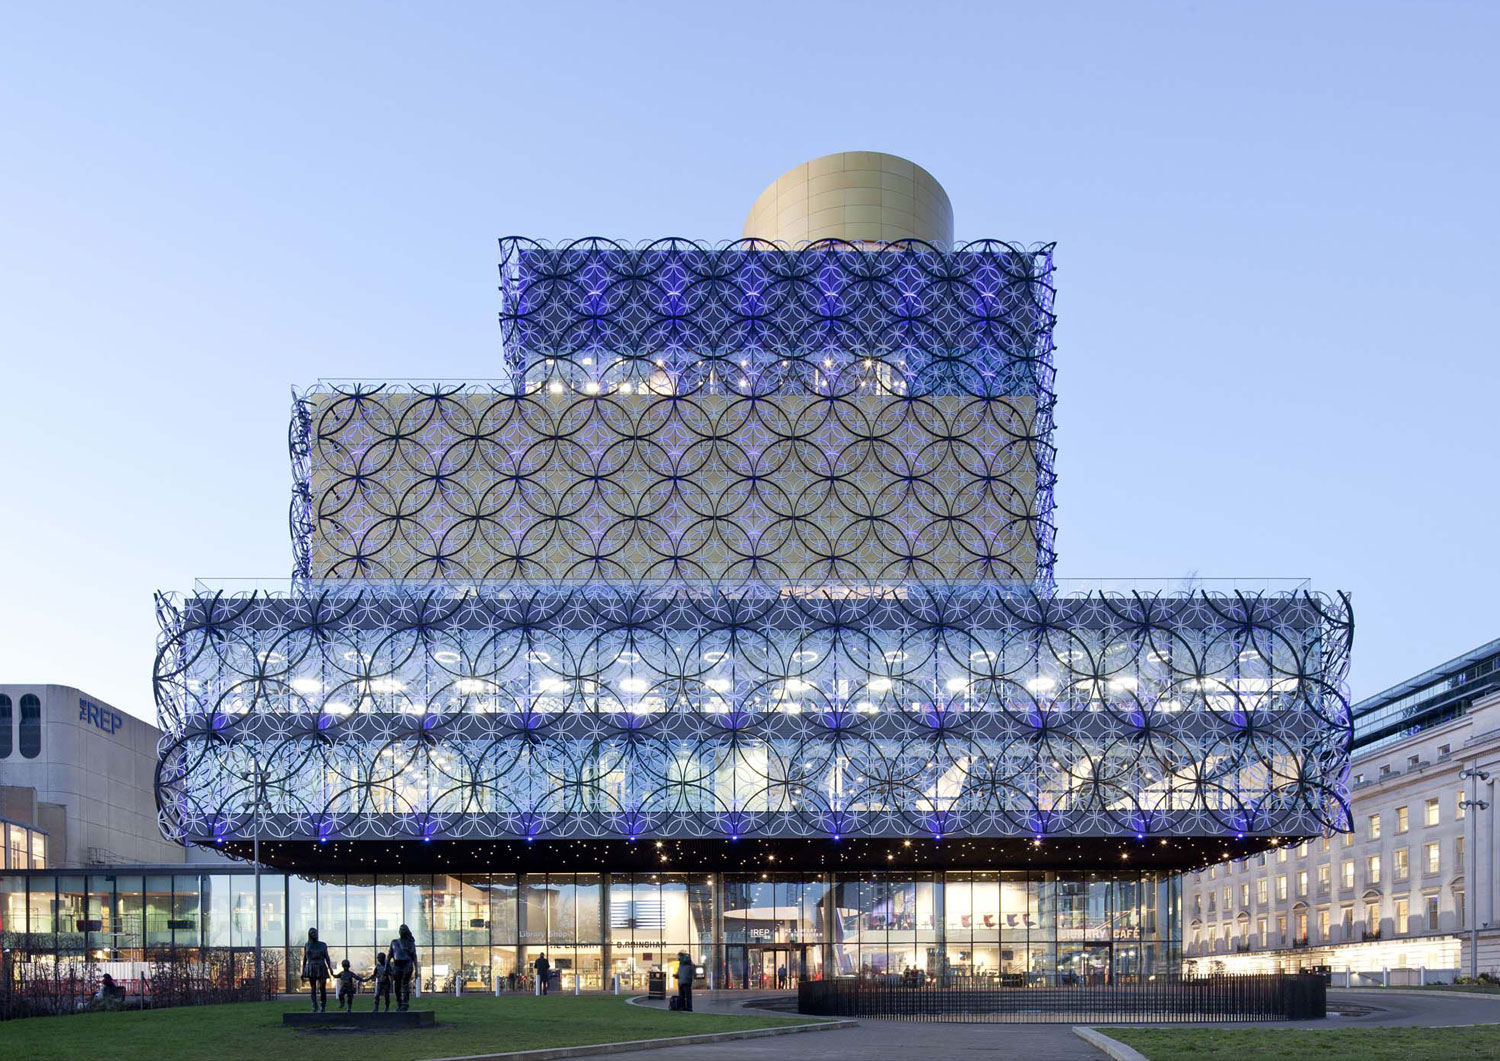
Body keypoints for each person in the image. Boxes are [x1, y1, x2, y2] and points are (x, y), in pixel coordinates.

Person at [302, 926, 333, 1012]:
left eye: (315, 933)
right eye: (312, 933)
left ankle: (323, 1006)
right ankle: (314, 1005)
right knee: (313, 988)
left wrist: (330, 968)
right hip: (311, 967)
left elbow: (327, 957)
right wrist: (303, 970)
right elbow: (305, 958)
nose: (314, 934)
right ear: (309, 935)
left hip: (321, 966)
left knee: (322, 987)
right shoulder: (307, 945)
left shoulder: (322, 944)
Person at [389, 923, 419, 1011]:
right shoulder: (394, 942)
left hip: (407, 965)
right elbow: (390, 954)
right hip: (397, 966)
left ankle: (405, 1003)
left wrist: (417, 969)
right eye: (400, 930)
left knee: (405, 984)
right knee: (397, 985)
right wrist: (386, 966)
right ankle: (399, 1002)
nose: (401, 931)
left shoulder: (410, 943)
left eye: (403, 930)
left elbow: (414, 956)